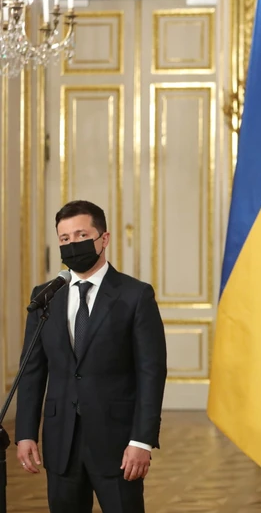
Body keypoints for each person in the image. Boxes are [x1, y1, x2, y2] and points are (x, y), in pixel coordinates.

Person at [15, 200, 167, 513]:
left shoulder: (135, 295)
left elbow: (151, 373)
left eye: (81, 235)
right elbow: (31, 370)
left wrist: (142, 440)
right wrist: (26, 433)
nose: (73, 244)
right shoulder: (45, 296)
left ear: (104, 238)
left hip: (118, 444)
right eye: (65, 238)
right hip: (60, 442)